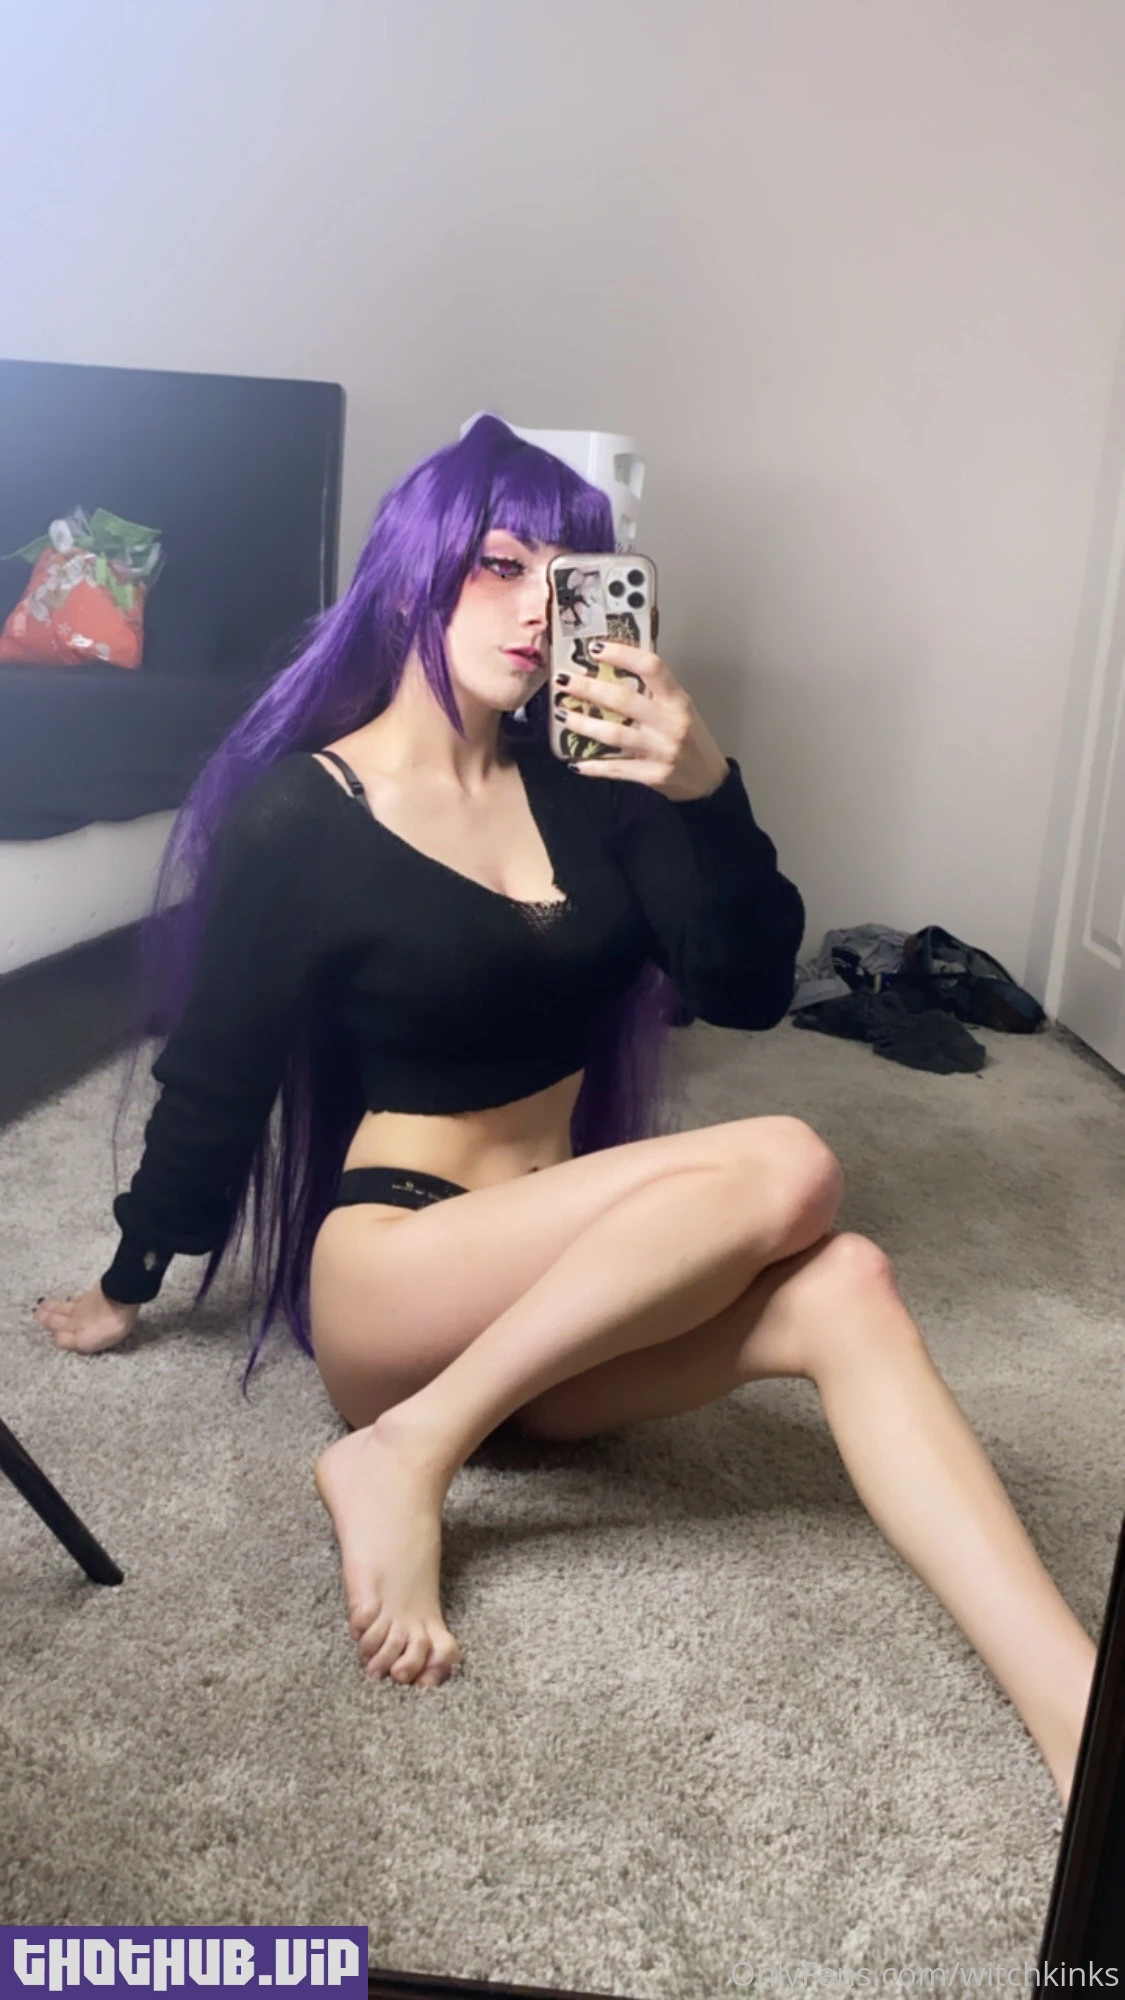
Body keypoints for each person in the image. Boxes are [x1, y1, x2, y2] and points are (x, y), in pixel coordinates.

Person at [34, 416, 1094, 1807]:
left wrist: (706, 791)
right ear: (412, 575)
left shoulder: (593, 789)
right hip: (400, 1274)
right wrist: (127, 1280)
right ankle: (404, 1448)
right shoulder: (305, 816)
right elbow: (217, 1077)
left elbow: (747, 989)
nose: (539, 608)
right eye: (499, 564)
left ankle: (1085, 1725)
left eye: (569, 575)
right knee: (790, 1160)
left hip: (568, 1314)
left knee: (851, 1283)